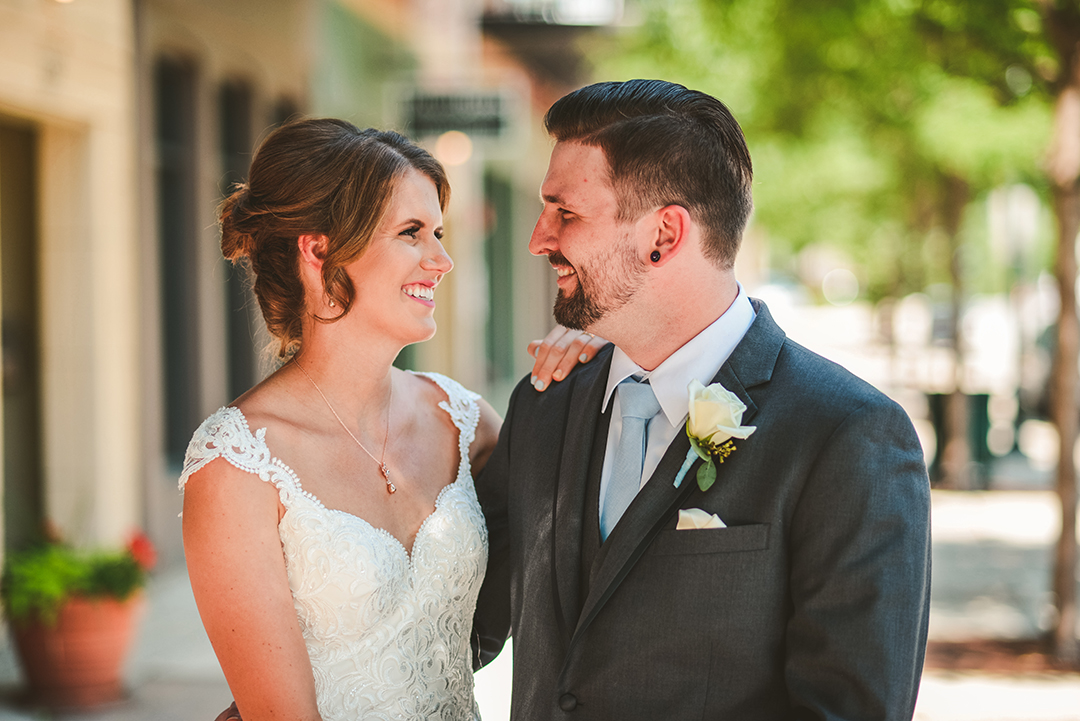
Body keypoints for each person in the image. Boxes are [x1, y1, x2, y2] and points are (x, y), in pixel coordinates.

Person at [472, 79, 932, 719]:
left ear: (663, 234)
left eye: (565, 213)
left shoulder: (846, 436)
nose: (538, 239)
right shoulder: (543, 404)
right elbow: (459, 624)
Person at [181, 118, 601, 721]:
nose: (443, 260)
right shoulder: (236, 464)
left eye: (438, 232)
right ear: (319, 249)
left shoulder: (465, 423)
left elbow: (562, 560)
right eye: (411, 233)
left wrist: (592, 356)